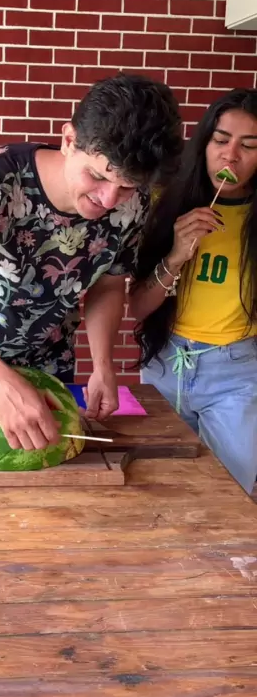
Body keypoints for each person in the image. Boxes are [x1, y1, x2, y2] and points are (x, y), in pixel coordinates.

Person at [0, 73, 183, 453]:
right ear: (69, 140)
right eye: (97, 176)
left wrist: (102, 364)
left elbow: (107, 285)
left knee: (47, 467)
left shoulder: (133, 205)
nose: (109, 200)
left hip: (54, 360)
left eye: (127, 187)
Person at [129, 88, 257, 495]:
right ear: (203, 144)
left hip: (237, 371)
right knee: (160, 487)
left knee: (230, 493)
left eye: (249, 146)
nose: (230, 157)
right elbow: (137, 307)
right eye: (221, 140)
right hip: (166, 361)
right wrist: (176, 256)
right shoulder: (163, 204)